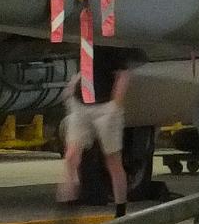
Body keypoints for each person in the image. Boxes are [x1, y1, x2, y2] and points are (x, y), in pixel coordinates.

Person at [58, 47, 139, 215]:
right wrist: (73, 86)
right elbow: (86, 66)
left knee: (112, 160)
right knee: (71, 156)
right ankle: (66, 208)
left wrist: (115, 106)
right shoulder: (85, 41)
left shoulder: (110, 44)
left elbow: (123, 75)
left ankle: (120, 210)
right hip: (81, 105)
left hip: (105, 106)